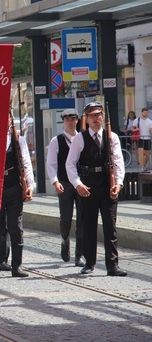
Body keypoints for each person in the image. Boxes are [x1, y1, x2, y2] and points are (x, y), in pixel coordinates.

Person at [66, 101, 126, 276]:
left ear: (102, 116)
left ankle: (112, 265)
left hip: (108, 187)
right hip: (88, 187)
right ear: (86, 118)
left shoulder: (111, 137)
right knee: (88, 226)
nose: (95, 118)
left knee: (110, 227)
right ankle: (89, 262)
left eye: (98, 114)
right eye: (91, 115)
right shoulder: (79, 138)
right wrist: (78, 184)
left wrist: (119, 184)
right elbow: (70, 164)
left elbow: (118, 162)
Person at [0, 112, 35, 278]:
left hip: (14, 186)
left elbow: (25, 164)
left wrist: (30, 185)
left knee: (15, 227)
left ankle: (17, 265)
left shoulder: (18, 140)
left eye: (6, 117)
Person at [46, 108, 85, 267]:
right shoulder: (57, 140)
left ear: (77, 120)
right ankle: (64, 240)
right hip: (65, 184)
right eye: (67, 119)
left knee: (82, 219)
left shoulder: (82, 138)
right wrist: (55, 181)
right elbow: (51, 164)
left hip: (81, 184)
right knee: (66, 218)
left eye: (73, 118)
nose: (70, 121)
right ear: (63, 121)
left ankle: (79, 255)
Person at [131, 107, 152, 172]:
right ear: (142, 112)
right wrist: (135, 129)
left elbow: (151, 130)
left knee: (147, 154)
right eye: (144, 112)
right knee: (140, 152)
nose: (145, 113)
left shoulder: (150, 121)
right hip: (140, 138)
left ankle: (144, 165)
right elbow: (132, 129)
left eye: (147, 112)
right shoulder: (137, 120)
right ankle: (142, 167)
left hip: (147, 138)